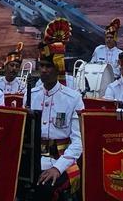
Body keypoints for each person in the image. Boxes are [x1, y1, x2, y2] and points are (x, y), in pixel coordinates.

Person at [29, 18, 84, 201]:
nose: (44, 70)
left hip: (62, 161)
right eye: (42, 66)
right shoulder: (31, 95)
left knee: (44, 190)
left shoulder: (73, 98)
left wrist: (57, 168)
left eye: (49, 66)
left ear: (58, 67)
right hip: (33, 160)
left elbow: (78, 142)